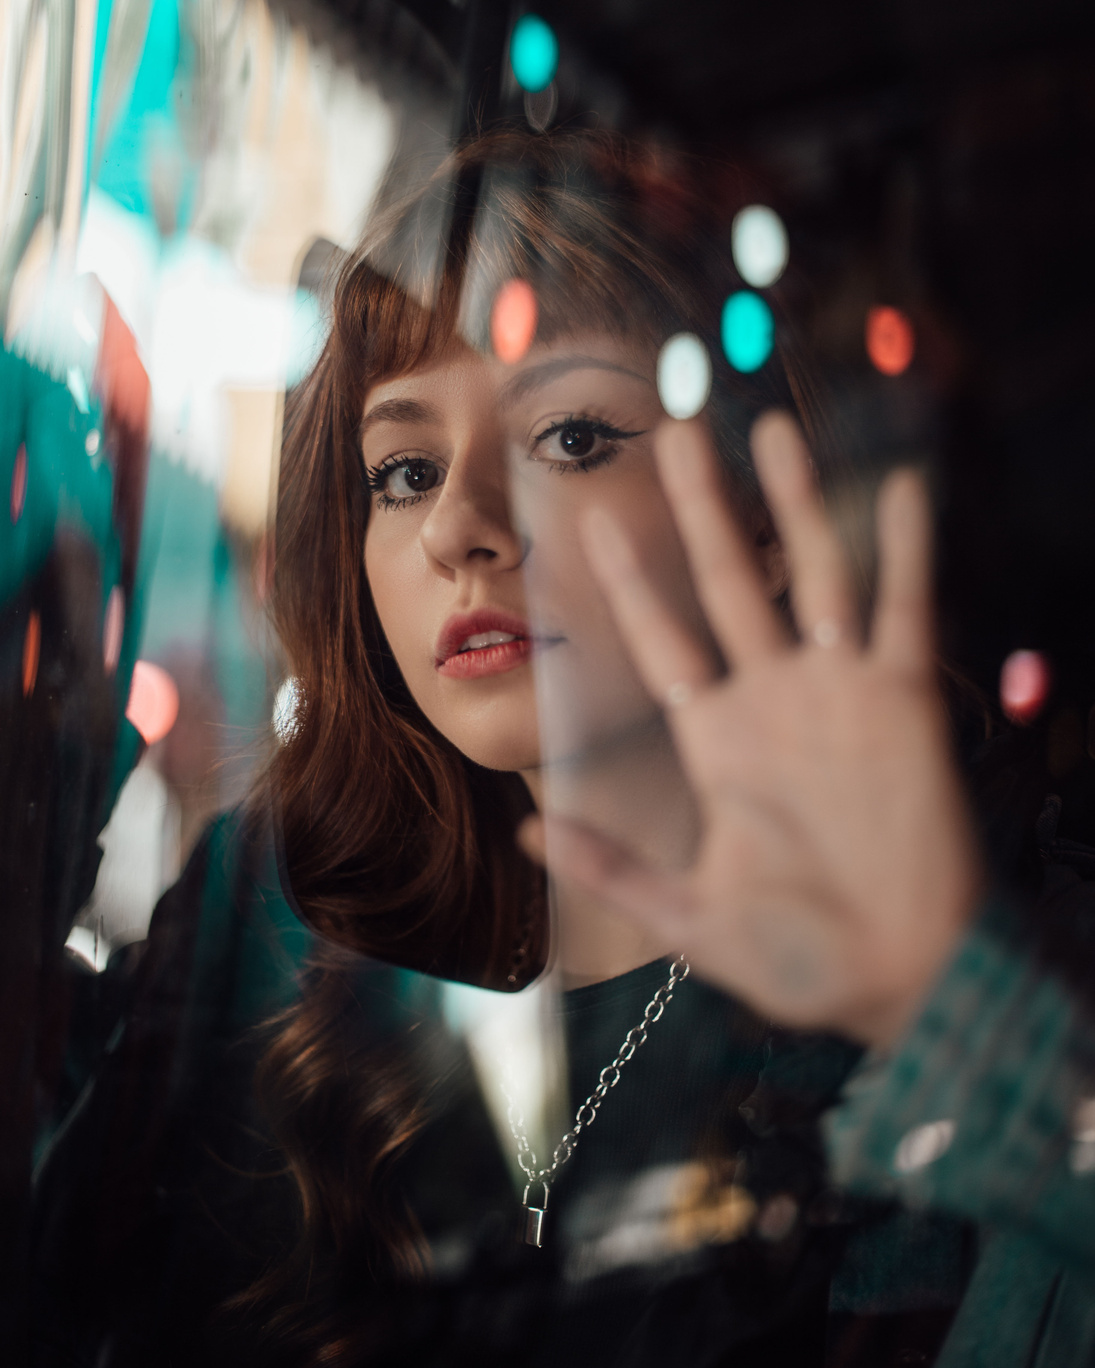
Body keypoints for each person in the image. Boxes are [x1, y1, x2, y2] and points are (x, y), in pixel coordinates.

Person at [31, 127, 1095, 1368]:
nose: (462, 529)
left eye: (574, 437)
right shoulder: (277, 918)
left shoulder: (971, 951)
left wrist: (951, 999)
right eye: (407, 469)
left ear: (758, 516)